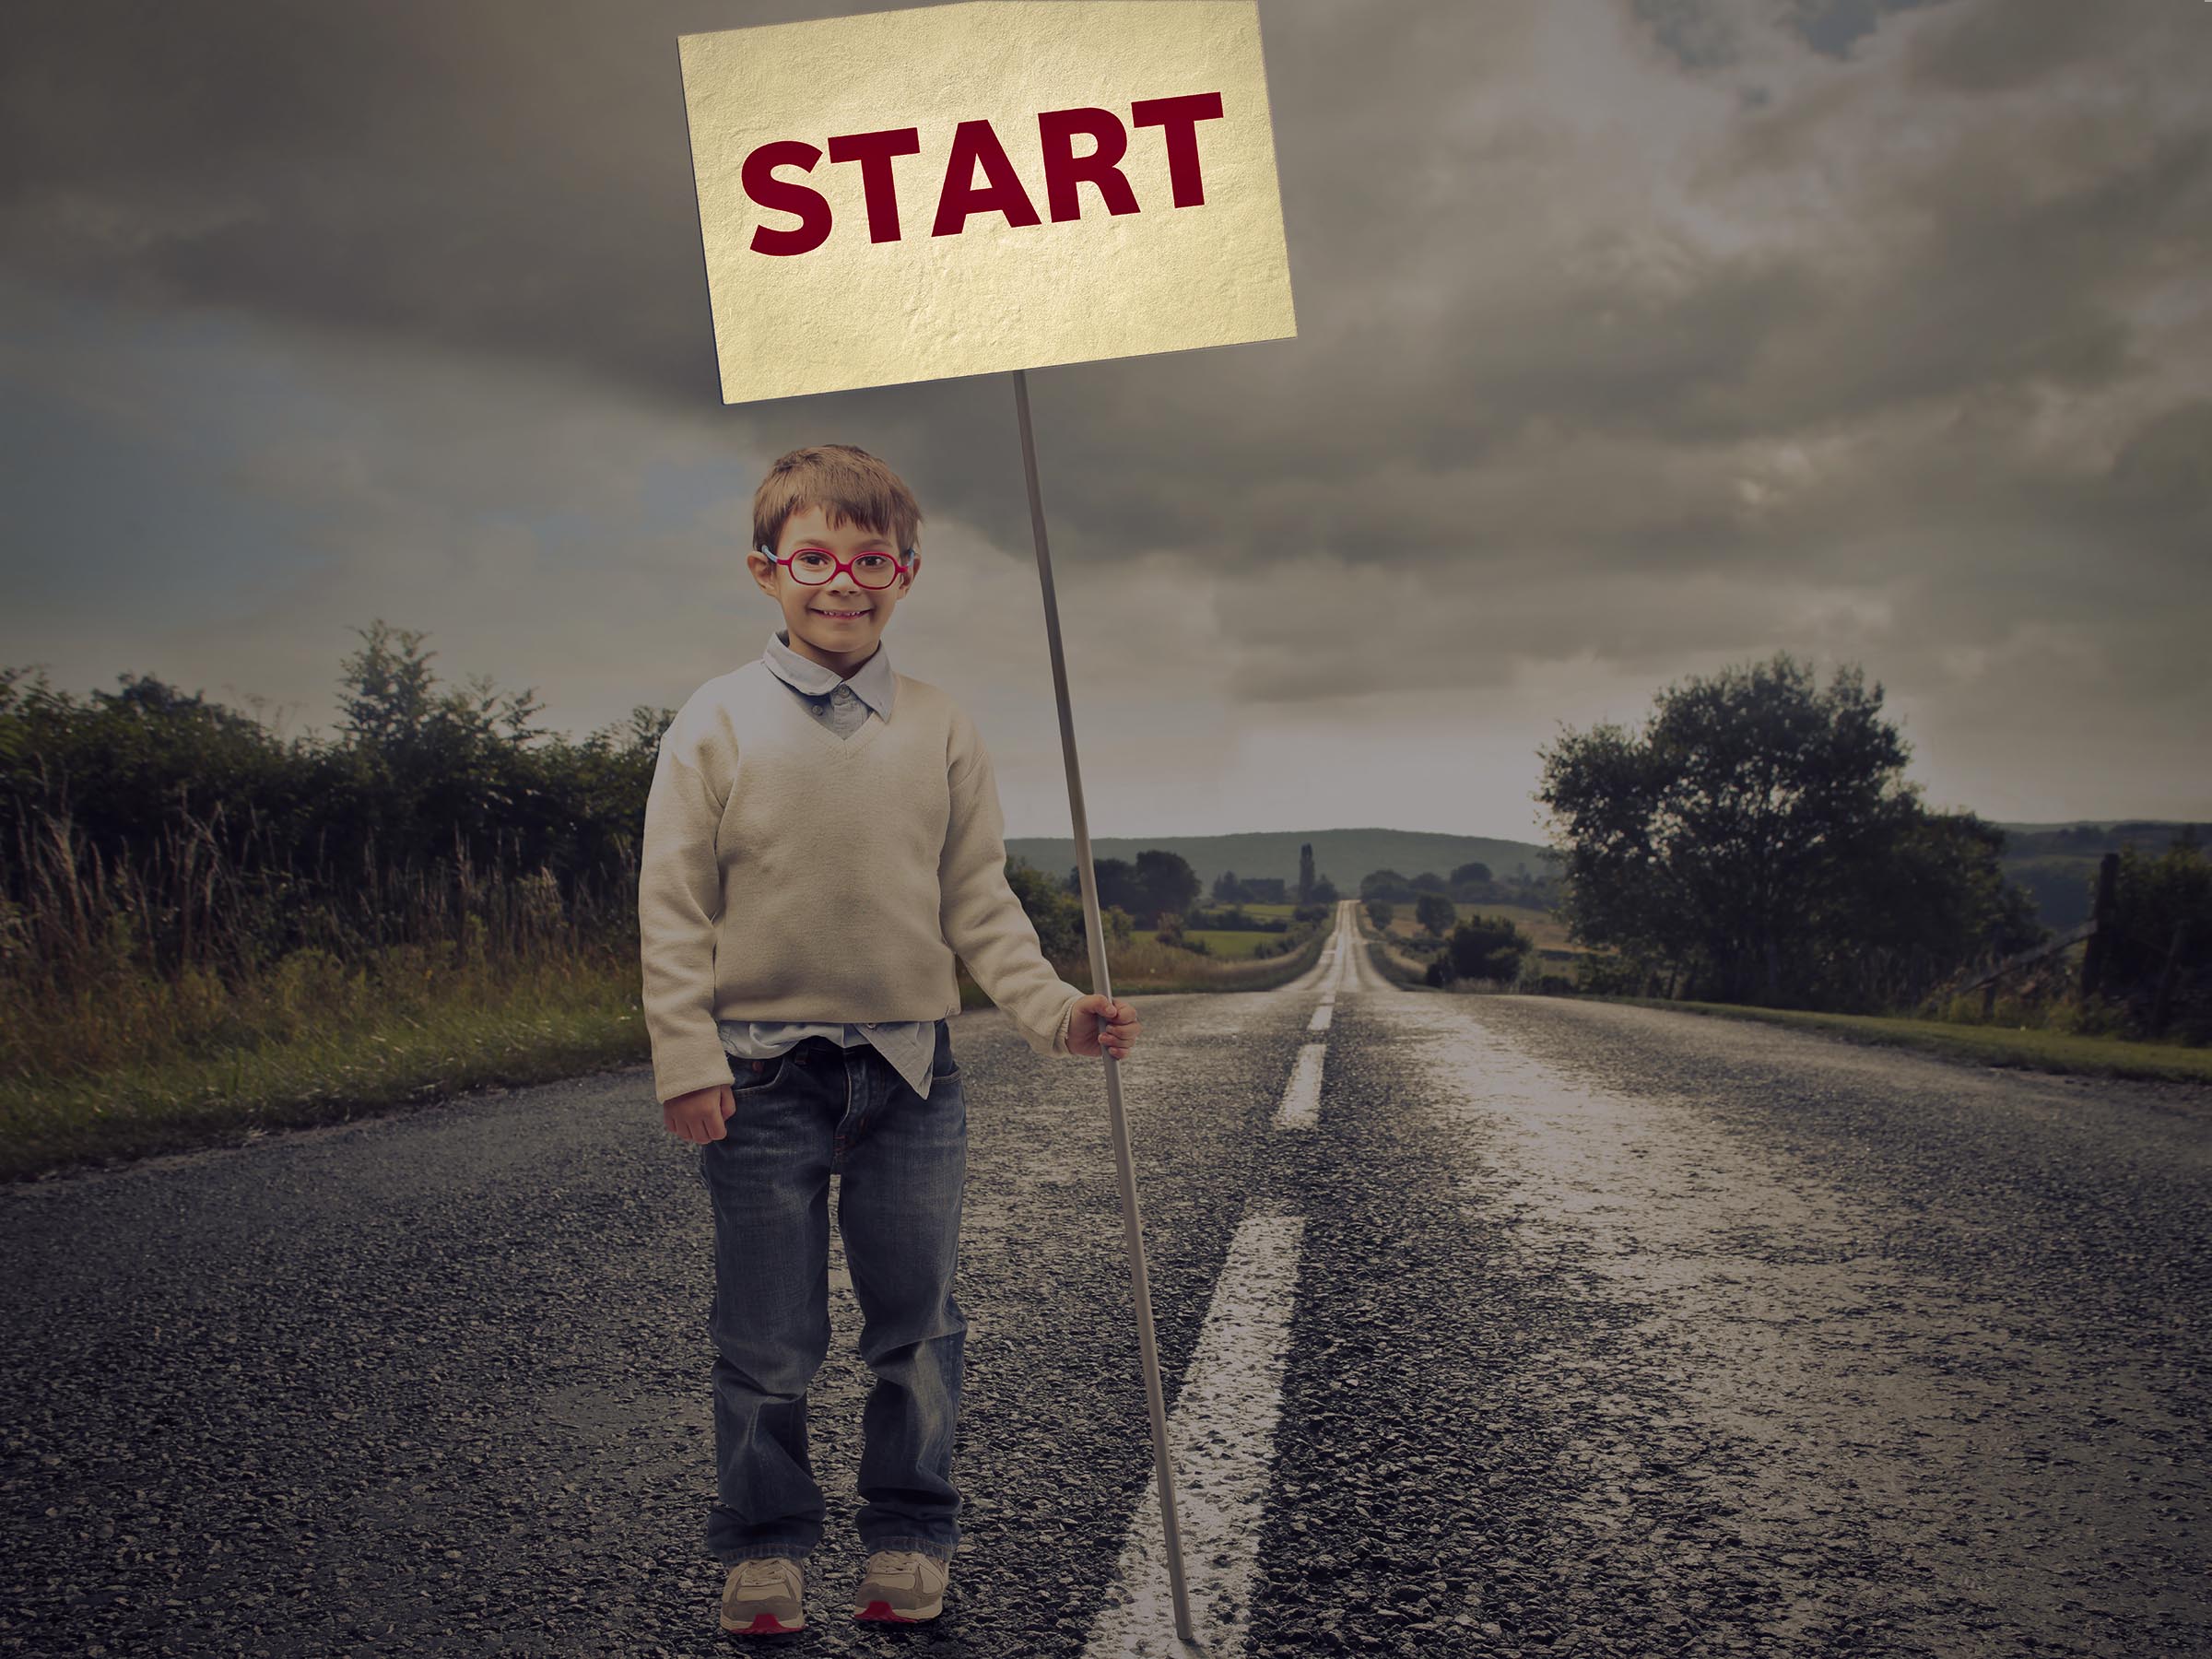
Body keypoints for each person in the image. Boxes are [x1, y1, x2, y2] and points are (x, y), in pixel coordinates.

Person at [637, 442, 1142, 1635]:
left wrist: (1057, 1009)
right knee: (767, 1335)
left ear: (906, 573)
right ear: (768, 570)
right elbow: (673, 909)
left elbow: (979, 903)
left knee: (916, 1325)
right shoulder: (714, 723)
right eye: (814, 558)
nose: (843, 583)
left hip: (913, 1075)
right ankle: (765, 1548)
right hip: (760, 1075)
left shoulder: (940, 727)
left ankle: (911, 1532)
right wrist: (687, 1057)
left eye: (871, 560)